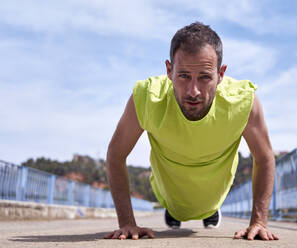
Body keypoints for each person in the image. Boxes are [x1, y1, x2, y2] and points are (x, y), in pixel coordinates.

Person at [104, 22, 279, 241]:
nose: (193, 91)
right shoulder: (147, 98)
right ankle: (175, 212)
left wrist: (259, 221)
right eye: (184, 76)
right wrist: (127, 223)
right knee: (176, 208)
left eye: (205, 77)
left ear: (221, 74)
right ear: (169, 70)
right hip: (168, 190)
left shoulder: (243, 102)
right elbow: (115, 155)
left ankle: (210, 212)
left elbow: (265, 158)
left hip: (215, 191)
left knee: (207, 206)